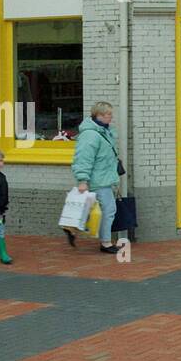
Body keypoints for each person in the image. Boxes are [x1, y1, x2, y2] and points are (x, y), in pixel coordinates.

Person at [70, 100, 122, 254]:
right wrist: (82, 180)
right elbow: (83, 158)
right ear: (98, 115)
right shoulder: (91, 135)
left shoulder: (104, 131)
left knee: (90, 210)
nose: (111, 117)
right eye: (108, 114)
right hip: (98, 180)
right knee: (109, 209)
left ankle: (71, 228)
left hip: (104, 177)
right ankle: (105, 243)